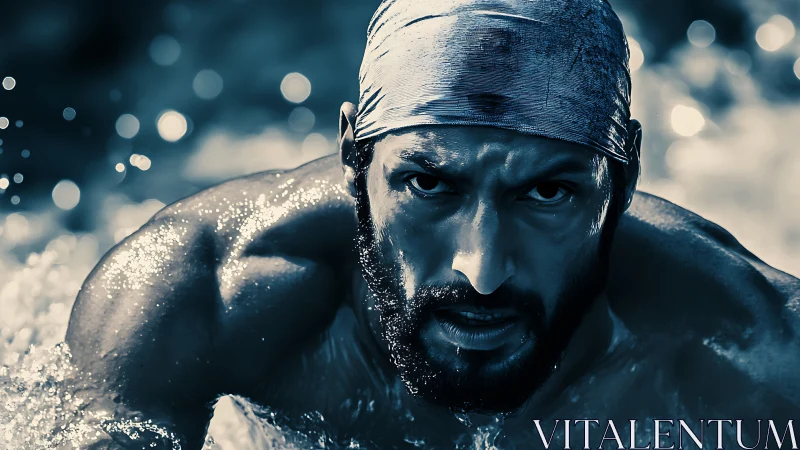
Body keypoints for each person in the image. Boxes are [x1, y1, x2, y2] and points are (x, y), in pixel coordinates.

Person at [65, 0, 800, 448]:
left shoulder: (758, 349)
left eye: (547, 194)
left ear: (624, 180)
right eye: (428, 184)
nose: (481, 269)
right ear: (354, 160)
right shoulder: (194, 296)